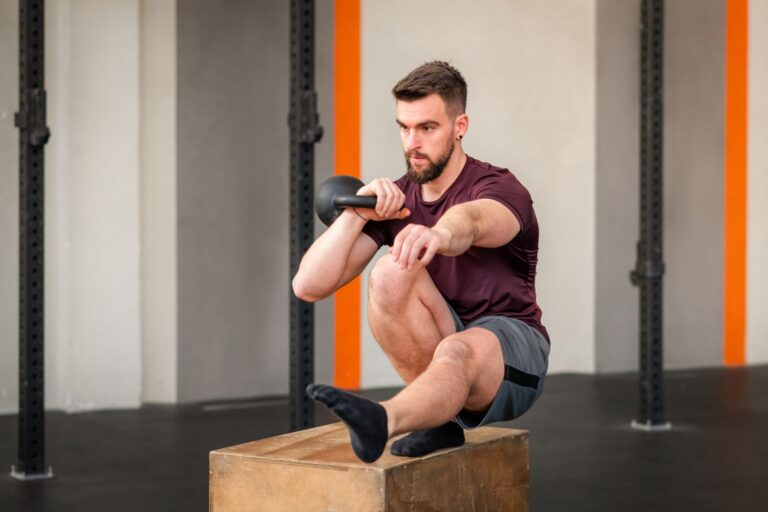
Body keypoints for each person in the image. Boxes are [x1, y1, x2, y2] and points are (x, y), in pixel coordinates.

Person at [292, 61, 550, 463]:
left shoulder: (499, 186)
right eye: (404, 127)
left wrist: (441, 234)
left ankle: (385, 419)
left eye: (427, 128)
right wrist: (356, 215)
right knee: (389, 274)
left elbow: (475, 219)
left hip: (511, 351)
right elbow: (308, 286)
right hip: (446, 337)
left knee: (457, 351)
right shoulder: (396, 201)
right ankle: (439, 422)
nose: (412, 142)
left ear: (460, 126)